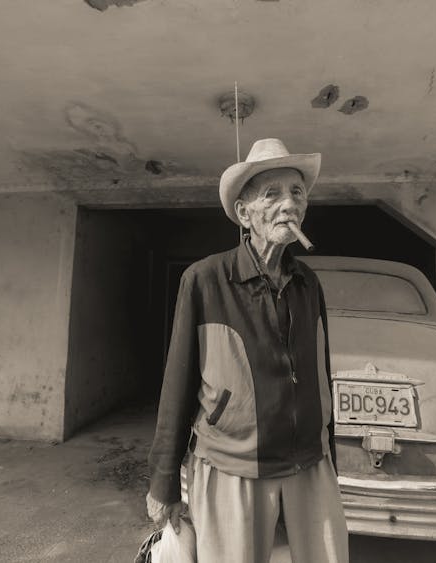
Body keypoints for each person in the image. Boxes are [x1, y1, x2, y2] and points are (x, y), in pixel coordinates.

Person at [145, 138, 349, 563]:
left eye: (297, 193)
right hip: (232, 466)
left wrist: (330, 453)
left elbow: (319, 372)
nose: (288, 205)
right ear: (244, 214)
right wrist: (163, 482)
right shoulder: (204, 280)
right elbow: (177, 385)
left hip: (309, 464)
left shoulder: (308, 283)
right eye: (271, 194)